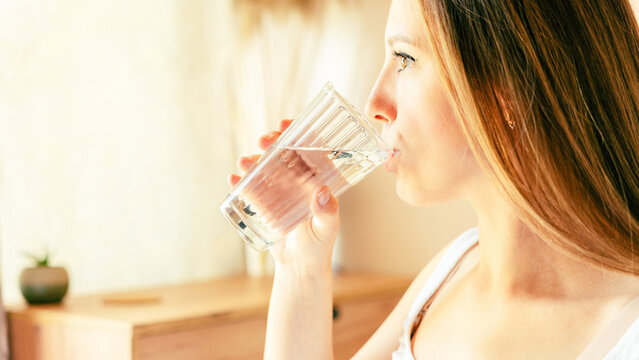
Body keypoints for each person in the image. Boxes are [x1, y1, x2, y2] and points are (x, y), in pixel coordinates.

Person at [228, 0, 639, 358]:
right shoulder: (449, 272)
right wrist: (300, 266)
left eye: (404, 59)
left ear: (507, 92)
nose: (375, 103)